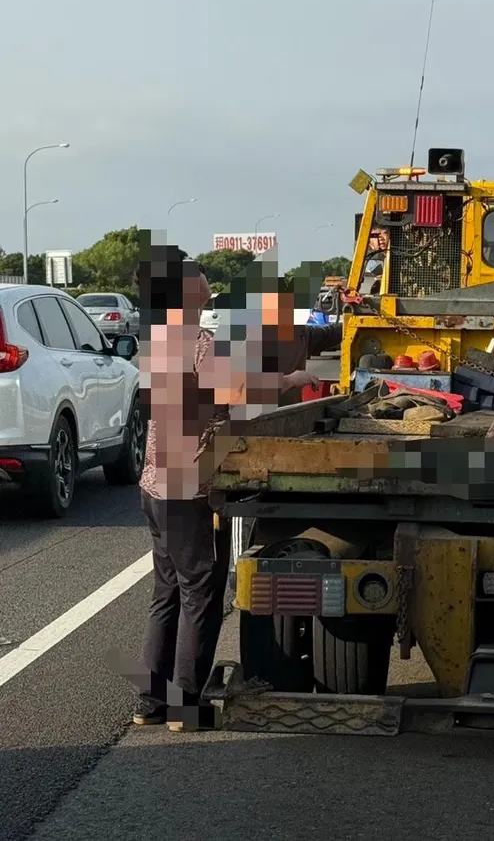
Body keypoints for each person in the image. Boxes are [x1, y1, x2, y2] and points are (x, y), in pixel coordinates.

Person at [132, 241, 317, 731]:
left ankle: (152, 702)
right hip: (186, 488)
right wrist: (293, 378)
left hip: (154, 484)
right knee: (199, 594)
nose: (205, 278)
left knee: (167, 591)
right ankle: (184, 707)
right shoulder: (196, 342)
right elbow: (238, 391)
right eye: (197, 273)